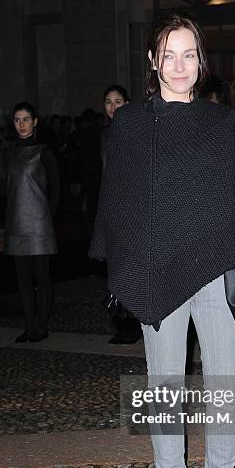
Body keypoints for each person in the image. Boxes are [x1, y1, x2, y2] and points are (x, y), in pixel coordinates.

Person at [90, 14, 235, 468]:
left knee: (223, 394)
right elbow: (118, 204)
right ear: (152, 61)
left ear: (202, 62)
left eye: (189, 54)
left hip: (214, 271)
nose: (179, 65)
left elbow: (234, 200)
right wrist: (124, 269)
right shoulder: (131, 125)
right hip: (156, 274)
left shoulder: (221, 123)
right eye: (169, 54)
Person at [4, 102, 60, 342]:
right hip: (16, 224)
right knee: (23, 280)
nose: (22, 124)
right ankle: (29, 326)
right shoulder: (8, 153)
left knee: (42, 277)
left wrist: (49, 217)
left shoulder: (43, 152)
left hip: (39, 225)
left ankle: (41, 326)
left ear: (35, 122)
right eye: (17, 120)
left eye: (26, 119)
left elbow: (57, 188)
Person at [100, 84, 142, 345]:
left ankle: (136, 322)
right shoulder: (102, 135)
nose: (112, 106)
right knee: (113, 269)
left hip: (132, 210)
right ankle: (120, 323)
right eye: (107, 101)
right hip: (110, 210)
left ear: (126, 104)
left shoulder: (135, 133)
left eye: (117, 101)